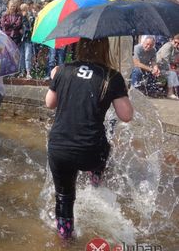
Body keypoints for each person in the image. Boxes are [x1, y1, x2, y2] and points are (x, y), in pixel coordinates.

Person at [45, 38, 133, 240]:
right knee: (105, 148)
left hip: (59, 148)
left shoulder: (63, 70)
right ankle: (96, 181)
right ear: (105, 48)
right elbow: (126, 115)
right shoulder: (111, 76)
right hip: (91, 151)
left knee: (64, 197)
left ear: (79, 46)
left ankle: (65, 235)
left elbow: (49, 103)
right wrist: (121, 89)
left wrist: (55, 79)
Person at [156, 34, 179, 99]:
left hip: (167, 67)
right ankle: (170, 93)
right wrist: (173, 69)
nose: (176, 44)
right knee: (172, 73)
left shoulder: (175, 49)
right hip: (159, 67)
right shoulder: (168, 46)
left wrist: (176, 67)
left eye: (178, 43)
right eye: (175, 42)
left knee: (174, 72)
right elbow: (164, 60)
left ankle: (175, 92)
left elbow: (174, 61)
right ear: (172, 40)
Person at [19, 3, 36, 79]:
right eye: (22, 10)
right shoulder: (19, 17)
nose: (24, 11)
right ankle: (22, 71)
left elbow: (31, 27)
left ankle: (28, 72)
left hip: (28, 39)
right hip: (20, 39)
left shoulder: (31, 18)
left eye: (25, 9)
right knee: (21, 56)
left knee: (27, 56)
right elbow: (18, 26)